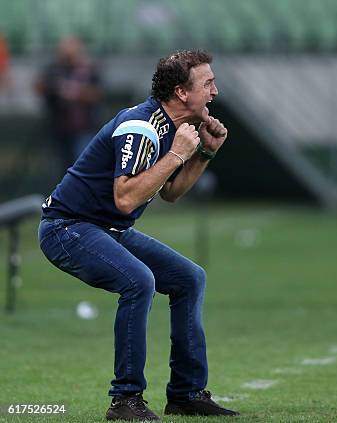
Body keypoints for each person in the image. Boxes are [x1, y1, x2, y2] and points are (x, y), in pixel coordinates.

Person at [38, 50, 239, 420]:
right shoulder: (141, 125)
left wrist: (203, 154)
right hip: (67, 228)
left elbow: (171, 193)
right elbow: (126, 197)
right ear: (181, 92)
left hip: (106, 229)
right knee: (138, 281)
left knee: (189, 278)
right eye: (207, 83)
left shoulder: (172, 126)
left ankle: (186, 394)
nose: (215, 91)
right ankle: (125, 400)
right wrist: (179, 154)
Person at [35, 37, 102, 172]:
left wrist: (76, 92)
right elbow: (38, 87)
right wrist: (55, 86)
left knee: (81, 166)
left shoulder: (88, 70)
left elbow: (98, 94)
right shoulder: (54, 69)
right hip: (60, 127)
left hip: (83, 128)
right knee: (62, 168)